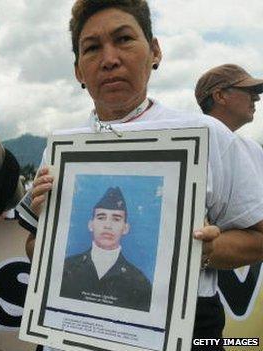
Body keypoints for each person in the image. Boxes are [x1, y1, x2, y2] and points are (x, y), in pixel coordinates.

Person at [18, 1, 263, 350]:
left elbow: (258, 238)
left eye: (124, 39)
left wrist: (205, 250)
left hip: (182, 327)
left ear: (155, 51)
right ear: (78, 71)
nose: (109, 58)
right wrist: (52, 238)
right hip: (71, 329)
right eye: (92, 48)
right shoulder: (61, 149)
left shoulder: (205, 134)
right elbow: (32, 246)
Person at [60, 187, 151, 311]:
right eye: (101, 217)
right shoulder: (66, 268)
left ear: (126, 228)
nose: (108, 225)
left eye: (116, 219)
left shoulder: (139, 283)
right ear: (91, 225)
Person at [195, 64, 263, 174]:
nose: (257, 98)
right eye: (249, 91)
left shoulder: (254, 150)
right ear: (220, 96)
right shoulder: (195, 148)